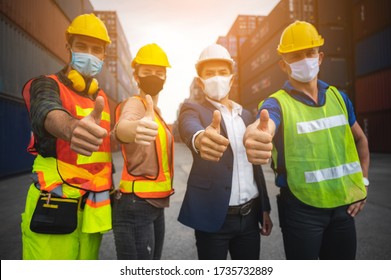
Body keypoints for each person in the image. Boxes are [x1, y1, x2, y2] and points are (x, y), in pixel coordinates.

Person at [244, 21, 370, 260]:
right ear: (284, 65)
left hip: (343, 210)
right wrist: (258, 134)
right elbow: (265, 123)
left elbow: (361, 141)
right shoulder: (277, 103)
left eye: (310, 53)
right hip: (301, 211)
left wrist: (363, 182)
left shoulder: (339, 98)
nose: (305, 60)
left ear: (320, 57)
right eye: (295, 56)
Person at [21, 13, 113, 259]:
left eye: (97, 49)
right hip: (54, 207)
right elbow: (47, 111)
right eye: (82, 46)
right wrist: (72, 128)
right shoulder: (46, 85)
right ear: (68, 48)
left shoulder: (101, 99)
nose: (90, 54)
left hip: (91, 212)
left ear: (104, 56)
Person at [177, 44, 273, 260]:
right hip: (213, 219)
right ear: (200, 82)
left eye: (222, 73)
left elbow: (255, 168)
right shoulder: (193, 109)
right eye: (209, 74)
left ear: (231, 78)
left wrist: (264, 209)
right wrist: (200, 138)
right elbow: (188, 127)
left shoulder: (246, 116)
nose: (217, 78)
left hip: (249, 218)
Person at [112, 43, 174, 260]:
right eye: (147, 72)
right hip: (135, 204)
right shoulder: (135, 104)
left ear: (165, 78)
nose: (154, 77)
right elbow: (124, 126)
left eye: (160, 72)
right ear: (136, 76)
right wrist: (132, 129)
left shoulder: (157, 113)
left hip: (153, 204)